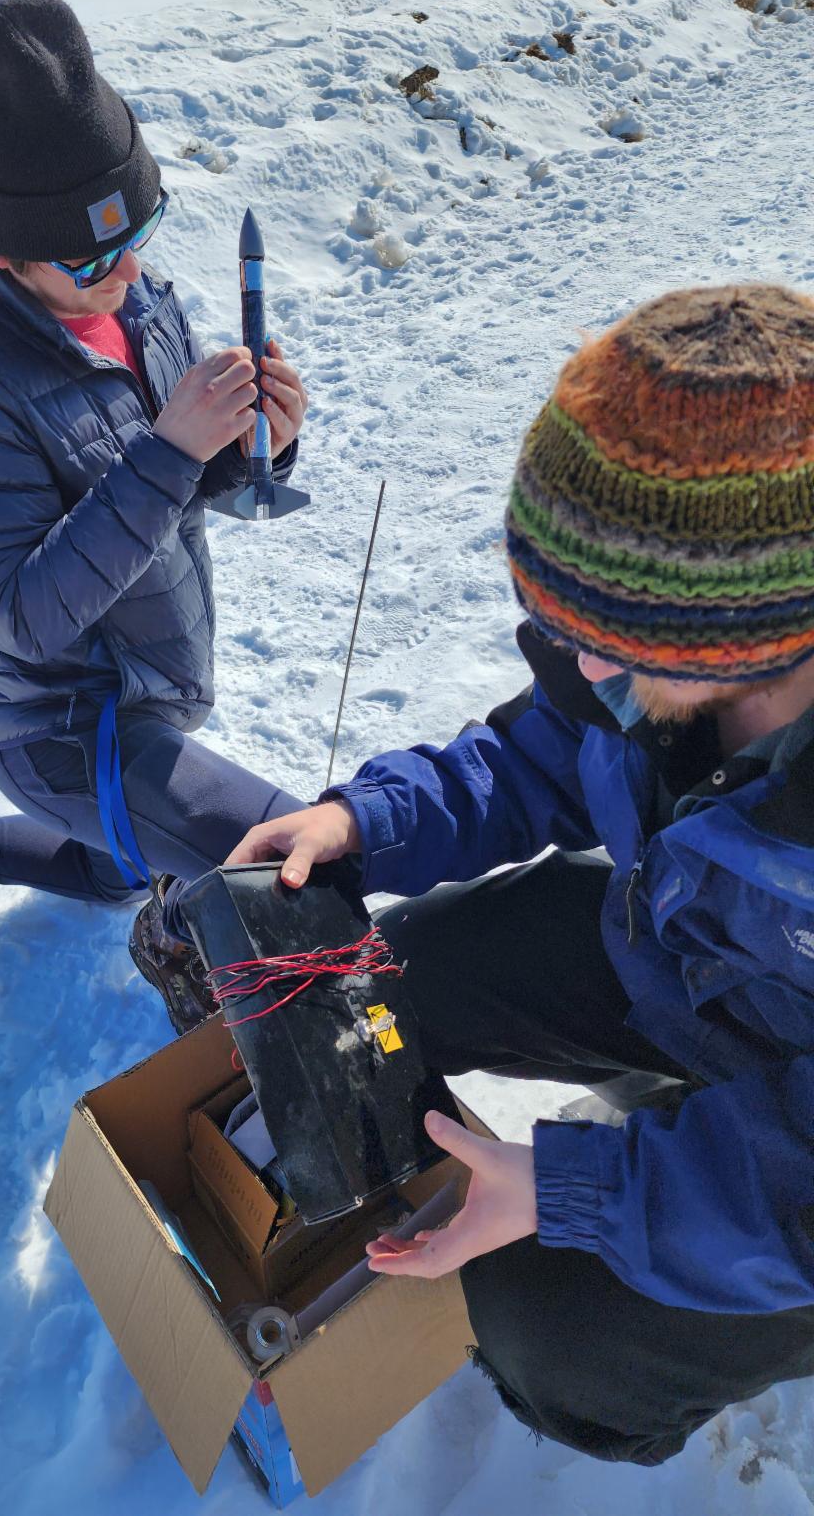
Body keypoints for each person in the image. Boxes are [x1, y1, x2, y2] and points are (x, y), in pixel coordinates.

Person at [223, 284, 814, 1463]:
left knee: (549, 1326)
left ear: (750, 632)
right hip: (693, 972)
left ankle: (626, 1389)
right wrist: (363, 819)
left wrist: (575, 1188)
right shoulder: (641, 668)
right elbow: (541, 748)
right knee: (398, 977)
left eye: (603, 637)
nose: (573, 656)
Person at [0, 0, 309, 1027]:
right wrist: (172, 449)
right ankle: (185, 936)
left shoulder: (132, 297)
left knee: (123, 863)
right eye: (89, 260)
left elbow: (179, 489)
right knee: (290, 855)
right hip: (59, 721)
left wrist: (256, 443)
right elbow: (22, 611)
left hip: (153, 681)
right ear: (0, 256)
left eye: (141, 230)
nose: (128, 275)